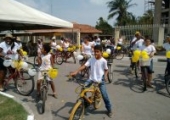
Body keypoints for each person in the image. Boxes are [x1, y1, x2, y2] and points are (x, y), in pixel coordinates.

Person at [70, 45, 113, 118]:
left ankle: (109, 109)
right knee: (83, 89)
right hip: (91, 79)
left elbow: (106, 70)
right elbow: (84, 66)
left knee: (105, 95)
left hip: (100, 80)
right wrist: (76, 71)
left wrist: (105, 76)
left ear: (101, 52)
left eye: (97, 52)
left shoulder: (104, 61)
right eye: (94, 51)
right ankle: (84, 102)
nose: (95, 53)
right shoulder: (91, 59)